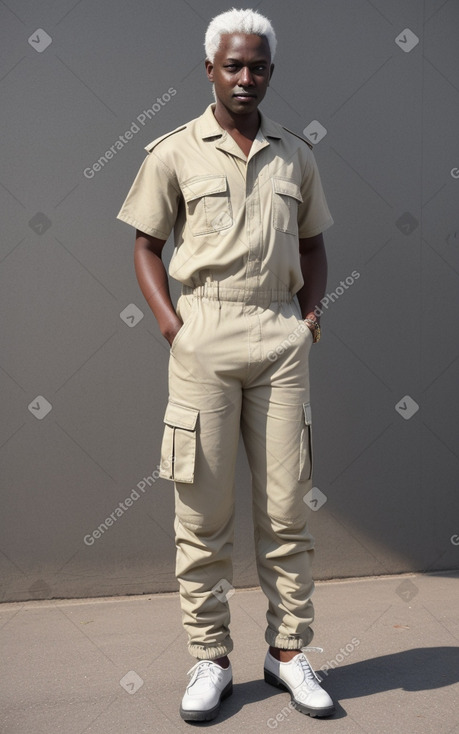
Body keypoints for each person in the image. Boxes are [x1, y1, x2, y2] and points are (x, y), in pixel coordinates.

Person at [117, 7, 335, 723]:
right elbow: (146, 245)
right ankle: (210, 659)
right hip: (204, 333)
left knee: (285, 509)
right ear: (210, 68)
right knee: (201, 512)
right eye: (233, 65)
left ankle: (287, 654)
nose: (246, 76)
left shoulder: (295, 155)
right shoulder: (174, 151)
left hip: (277, 334)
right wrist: (172, 326)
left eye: (258, 65)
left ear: (271, 71)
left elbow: (311, 245)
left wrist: (307, 320)